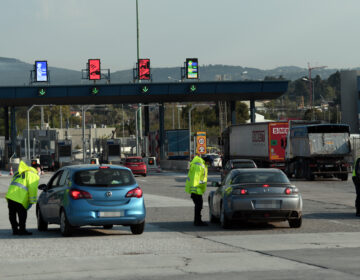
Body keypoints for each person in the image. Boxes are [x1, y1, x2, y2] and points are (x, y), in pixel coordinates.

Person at [5, 161, 41, 235]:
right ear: (37, 169)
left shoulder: (19, 172)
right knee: (22, 215)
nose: (40, 171)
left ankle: (15, 230)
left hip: (10, 196)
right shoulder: (33, 175)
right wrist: (32, 201)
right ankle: (22, 230)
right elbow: (32, 188)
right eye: (40, 169)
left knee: (12, 214)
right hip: (20, 197)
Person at [185, 154, 211, 226]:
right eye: (209, 163)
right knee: (198, 205)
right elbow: (195, 178)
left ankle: (198, 221)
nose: (209, 165)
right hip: (196, 190)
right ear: (207, 161)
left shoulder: (201, 165)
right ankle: (197, 221)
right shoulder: (199, 166)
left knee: (199, 205)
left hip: (197, 189)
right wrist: (194, 190)